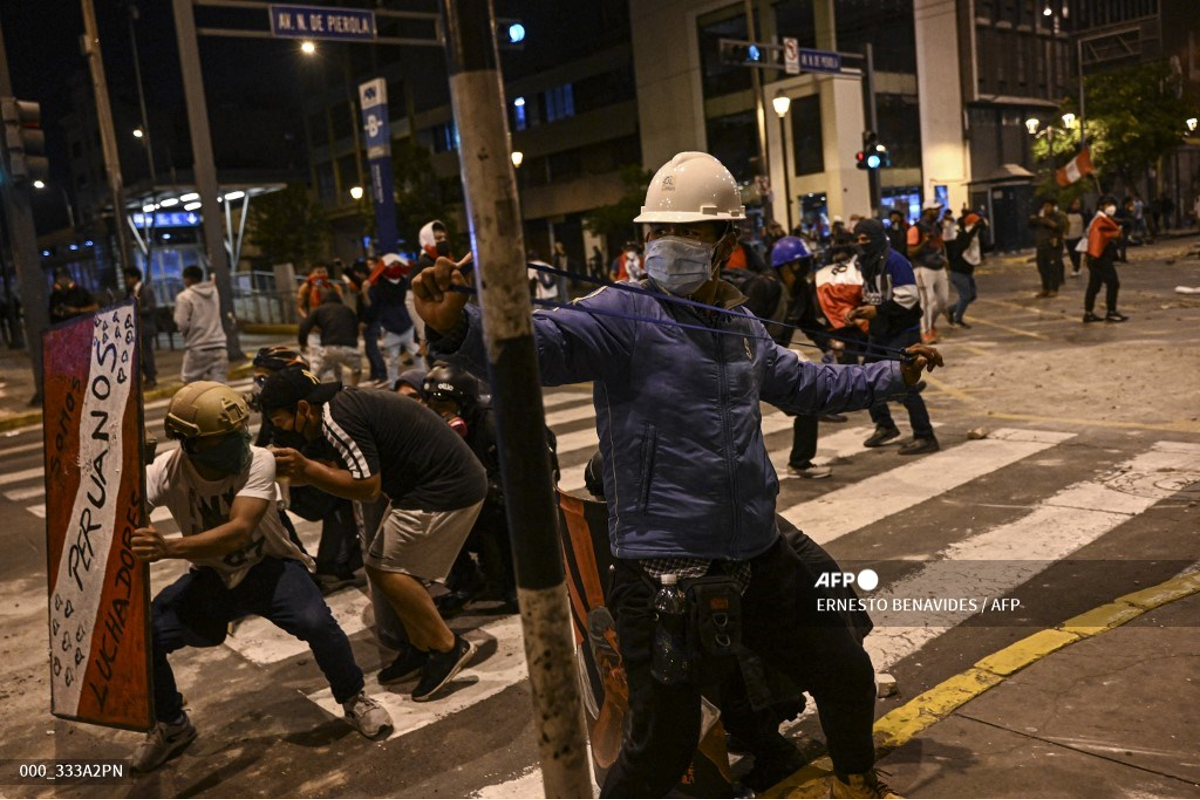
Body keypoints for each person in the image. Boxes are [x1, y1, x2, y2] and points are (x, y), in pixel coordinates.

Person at [412, 151, 941, 798]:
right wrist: (456, 330)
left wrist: (896, 373)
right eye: (660, 232)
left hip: (757, 554)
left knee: (842, 665)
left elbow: (805, 384)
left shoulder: (741, 323)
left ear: (726, 244)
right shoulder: (619, 316)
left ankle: (856, 780)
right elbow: (538, 349)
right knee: (663, 740)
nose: (670, 246)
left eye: (690, 233)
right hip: (663, 572)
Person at [129, 382, 392, 771]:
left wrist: (167, 547)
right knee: (143, 635)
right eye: (226, 436)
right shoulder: (167, 471)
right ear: (192, 442)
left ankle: (354, 698)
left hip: (268, 568)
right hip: (212, 575)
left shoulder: (257, 461)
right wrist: (124, 482)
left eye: (240, 430)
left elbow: (240, 527)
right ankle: (172, 724)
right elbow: (125, 510)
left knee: (317, 622)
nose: (240, 441)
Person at [259, 368, 488, 700]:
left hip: (446, 488)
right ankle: (420, 646)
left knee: (390, 570)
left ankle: (447, 647)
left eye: (280, 419)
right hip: (429, 485)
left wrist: (307, 470)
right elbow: (351, 470)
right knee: (381, 567)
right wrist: (307, 474)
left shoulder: (336, 418)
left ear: (303, 408)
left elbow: (367, 488)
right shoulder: (338, 407)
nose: (279, 428)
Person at [850, 218, 939, 456]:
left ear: (878, 238)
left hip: (902, 331)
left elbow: (908, 297)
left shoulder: (895, 261)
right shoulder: (865, 262)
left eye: (865, 239)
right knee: (867, 378)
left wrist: (877, 310)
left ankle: (925, 435)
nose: (860, 244)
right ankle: (885, 425)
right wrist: (861, 309)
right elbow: (872, 294)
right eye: (857, 239)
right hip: (880, 331)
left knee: (904, 381)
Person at [769, 236, 832, 480]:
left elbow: (809, 324)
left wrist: (829, 343)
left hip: (774, 361)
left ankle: (800, 462)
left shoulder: (801, 290)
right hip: (746, 363)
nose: (806, 267)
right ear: (786, 266)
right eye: (801, 263)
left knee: (809, 399)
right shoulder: (766, 287)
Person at [367, 253, 422, 385]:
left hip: (407, 324)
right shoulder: (378, 286)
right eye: (392, 265)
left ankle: (422, 380)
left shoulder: (405, 282)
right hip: (389, 328)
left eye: (398, 264)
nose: (395, 267)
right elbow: (373, 306)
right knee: (392, 360)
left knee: (417, 354)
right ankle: (393, 386)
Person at [174, 265, 228, 384]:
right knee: (220, 387)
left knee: (190, 385)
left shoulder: (184, 297)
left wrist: (186, 334)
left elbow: (181, 323)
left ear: (187, 279)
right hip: (219, 345)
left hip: (197, 346)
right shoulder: (214, 291)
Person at [906, 199, 950, 343]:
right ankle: (925, 332)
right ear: (926, 211)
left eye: (938, 209)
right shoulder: (916, 229)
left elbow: (939, 245)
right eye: (934, 209)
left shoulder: (937, 226)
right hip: (922, 267)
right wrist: (924, 242)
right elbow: (910, 252)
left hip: (938, 265)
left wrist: (944, 258)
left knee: (943, 301)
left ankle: (930, 323)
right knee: (927, 301)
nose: (937, 212)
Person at [299, 290, 362, 386]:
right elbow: (356, 329)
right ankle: (353, 390)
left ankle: (311, 391)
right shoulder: (348, 310)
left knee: (315, 374)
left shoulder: (319, 310)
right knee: (356, 370)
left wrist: (302, 344)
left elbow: (304, 327)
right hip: (350, 348)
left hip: (329, 349)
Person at [1083, 196, 1127, 323]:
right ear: (1101, 206)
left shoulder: (1103, 219)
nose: (1111, 207)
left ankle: (1088, 313)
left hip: (1096, 256)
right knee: (1113, 283)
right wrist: (1112, 234)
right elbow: (1098, 236)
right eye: (1108, 205)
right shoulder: (1099, 220)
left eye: (1112, 204)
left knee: (1094, 285)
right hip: (1099, 257)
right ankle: (1111, 312)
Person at [947, 213, 987, 327]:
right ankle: (957, 318)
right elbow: (964, 244)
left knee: (972, 295)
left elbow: (983, 247)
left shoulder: (976, 238)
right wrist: (974, 228)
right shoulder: (963, 235)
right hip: (958, 272)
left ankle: (951, 309)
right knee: (965, 296)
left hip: (967, 272)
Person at [124, 267, 158, 388]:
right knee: (141, 355)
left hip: (146, 327)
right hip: (136, 329)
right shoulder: (130, 291)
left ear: (135, 278)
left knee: (147, 354)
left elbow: (151, 307)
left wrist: (136, 310)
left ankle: (151, 377)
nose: (126, 280)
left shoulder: (146, 290)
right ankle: (147, 376)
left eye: (128, 278)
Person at [1028, 198, 1065, 298]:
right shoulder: (1040, 217)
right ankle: (1045, 288)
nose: (1046, 208)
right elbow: (1031, 225)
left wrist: (1047, 221)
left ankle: (1054, 289)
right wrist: (1035, 219)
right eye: (1044, 206)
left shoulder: (1058, 216)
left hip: (1053, 246)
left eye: (1048, 206)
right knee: (1042, 268)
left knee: (1053, 268)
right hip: (1041, 245)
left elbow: (1059, 227)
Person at [1064, 198, 1089, 278]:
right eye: (1075, 204)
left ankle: (1076, 268)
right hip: (1068, 237)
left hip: (1078, 236)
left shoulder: (1082, 214)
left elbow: (1086, 224)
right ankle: (1075, 266)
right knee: (1071, 253)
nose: (1077, 205)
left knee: (1076, 254)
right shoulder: (1066, 214)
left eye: (1078, 204)